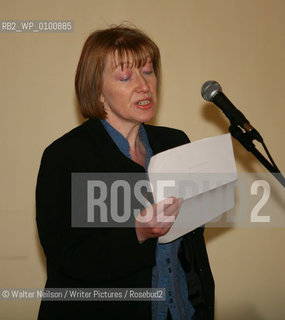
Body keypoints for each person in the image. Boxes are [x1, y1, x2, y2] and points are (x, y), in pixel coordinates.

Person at [36, 25, 214, 320]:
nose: (144, 85)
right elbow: (68, 256)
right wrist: (138, 232)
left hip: (181, 308)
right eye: (126, 76)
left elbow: (190, 246)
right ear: (97, 89)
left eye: (148, 71)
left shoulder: (174, 142)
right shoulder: (66, 156)